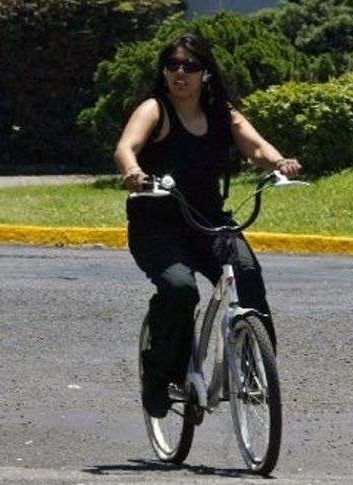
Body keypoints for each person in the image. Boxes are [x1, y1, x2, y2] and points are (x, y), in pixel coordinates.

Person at [113, 33, 301, 418]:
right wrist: (133, 171)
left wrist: (280, 163)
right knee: (180, 289)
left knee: (246, 272)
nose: (180, 73)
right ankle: (160, 374)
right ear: (164, 72)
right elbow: (126, 147)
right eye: (173, 66)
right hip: (158, 224)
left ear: (206, 73)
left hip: (208, 221)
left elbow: (256, 147)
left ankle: (254, 371)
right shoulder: (155, 109)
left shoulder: (222, 112)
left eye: (191, 66)